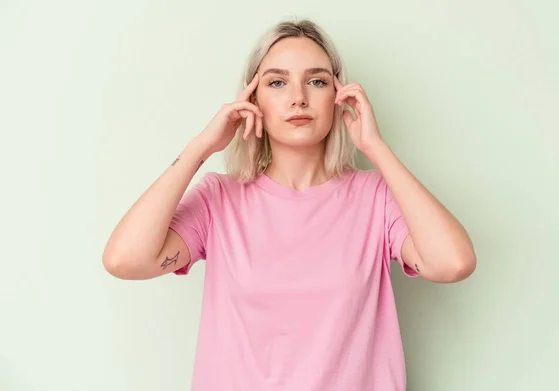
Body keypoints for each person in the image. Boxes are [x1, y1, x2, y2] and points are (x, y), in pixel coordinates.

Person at [102, 18, 476, 391]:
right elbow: (125, 260)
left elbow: (453, 263)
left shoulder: (375, 197)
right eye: (277, 82)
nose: (299, 97)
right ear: (253, 101)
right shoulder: (219, 199)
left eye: (316, 81)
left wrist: (376, 149)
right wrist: (200, 147)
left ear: (338, 95)